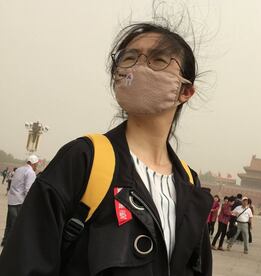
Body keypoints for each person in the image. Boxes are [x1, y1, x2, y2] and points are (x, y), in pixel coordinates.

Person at [0, 23, 213, 276]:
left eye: (158, 60)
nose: (139, 66)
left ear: (185, 91)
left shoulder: (189, 183)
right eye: (130, 57)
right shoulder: (83, 159)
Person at [1, 155, 39, 247]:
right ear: (33, 163)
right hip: (20, 202)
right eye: (36, 164)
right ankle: (12, 245)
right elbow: (28, 190)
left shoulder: (19, 169)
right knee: (16, 225)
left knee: (9, 223)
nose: (36, 166)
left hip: (12, 200)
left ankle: (5, 241)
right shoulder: (30, 172)